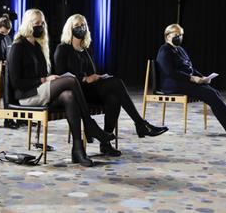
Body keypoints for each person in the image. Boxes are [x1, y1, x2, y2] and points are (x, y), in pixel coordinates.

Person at [8, 9, 115, 167]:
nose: (41, 26)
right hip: (27, 95)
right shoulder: (18, 47)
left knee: (69, 96)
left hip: (41, 90)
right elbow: (17, 83)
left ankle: (78, 151)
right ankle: (90, 125)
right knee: (70, 79)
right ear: (28, 25)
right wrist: (45, 79)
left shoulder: (38, 47)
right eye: (37, 23)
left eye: (43, 23)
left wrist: (47, 79)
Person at [54, 14, 168, 156]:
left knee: (114, 98)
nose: (81, 28)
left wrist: (96, 77)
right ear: (70, 29)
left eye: (83, 25)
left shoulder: (87, 50)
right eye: (77, 26)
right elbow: (60, 75)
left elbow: (92, 73)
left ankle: (106, 143)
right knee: (116, 83)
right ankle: (140, 124)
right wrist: (84, 79)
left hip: (91, 90)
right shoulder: (62, 49)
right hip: (76, 92)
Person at [156, 24, 226, 136]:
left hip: (185, 82)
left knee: (214, 92)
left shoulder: (180, 50)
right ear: (168, 36)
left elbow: (190, 68)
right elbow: (170, 72)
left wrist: (202, 77)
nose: (179, 37)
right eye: (176, 35)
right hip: (173, 85)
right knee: (210, 93)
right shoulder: (164, 50)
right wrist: (192, 78)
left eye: (181, 35)